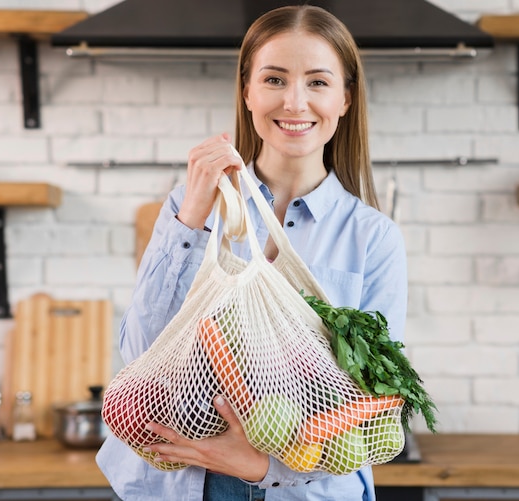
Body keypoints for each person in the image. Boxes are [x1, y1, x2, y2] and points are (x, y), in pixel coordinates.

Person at [96, 4, 407, 500]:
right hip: (179, 484)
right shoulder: (190, 204)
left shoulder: (371, 237)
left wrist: (262, 467)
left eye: (319, 83)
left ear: (346, 99)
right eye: (275, 79)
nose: (296, 102)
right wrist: (192, 218)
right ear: (247, 91)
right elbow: (140, 356)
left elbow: (375, 411)